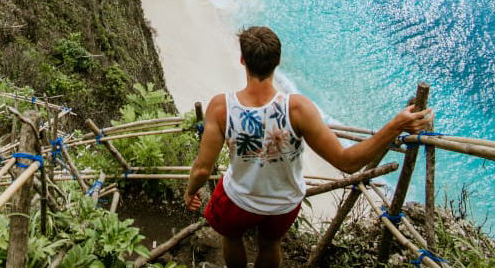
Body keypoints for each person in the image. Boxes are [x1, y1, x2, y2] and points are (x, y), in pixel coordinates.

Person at [184, 26, 433, 268]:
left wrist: (191, 191)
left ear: (242, 60)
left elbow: (202, 169)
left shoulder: (221, 107)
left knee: (232, 237)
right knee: (271, 245)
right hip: (284, 202)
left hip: (239, 197)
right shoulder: (298, 109)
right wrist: (395, 125)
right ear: (277, 61)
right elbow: (347, 162)